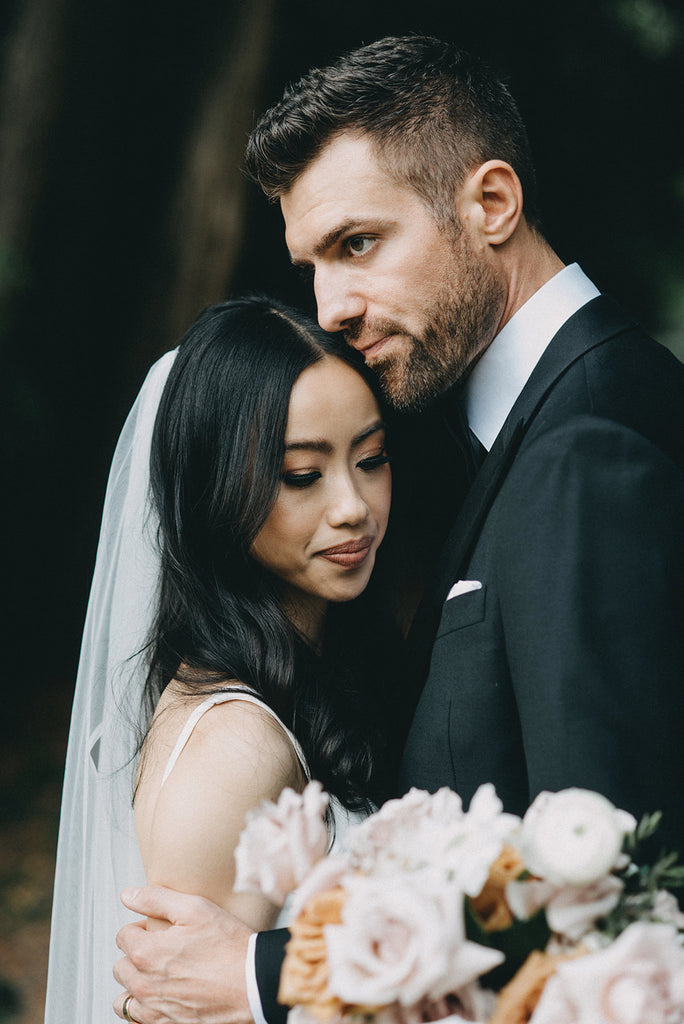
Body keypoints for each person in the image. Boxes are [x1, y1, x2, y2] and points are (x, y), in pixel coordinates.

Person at [112, 35, 684, 1024]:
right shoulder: (532, 421)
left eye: (358, 244)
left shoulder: (588, 443)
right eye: (312, 265)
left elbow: (622, 894)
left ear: (491, 202)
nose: (330, 309)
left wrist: (270, 976)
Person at [45, 295, 401, 1023]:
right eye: (303, 475)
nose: (353, 506)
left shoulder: (324, 662)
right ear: (218, 491)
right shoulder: (231, 750)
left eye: (371, 459)